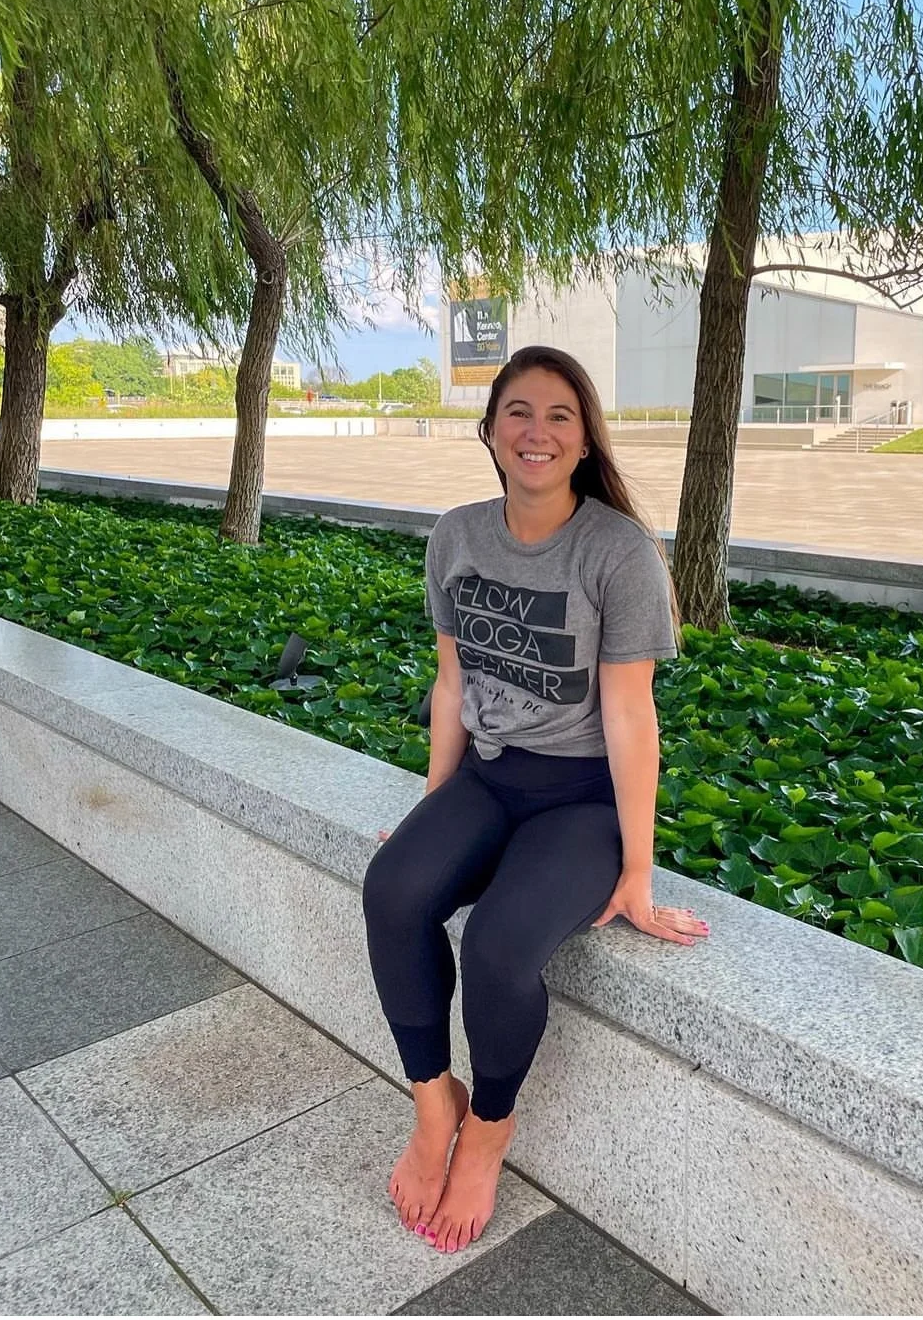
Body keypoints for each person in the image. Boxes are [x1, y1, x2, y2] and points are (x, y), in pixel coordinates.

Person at [362, 345, 710, 1257]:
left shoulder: (615, 551)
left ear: (586, 438)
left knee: (500, 949)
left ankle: (490, 1130)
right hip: (488, 776)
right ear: (487, 431)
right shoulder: (457, 535)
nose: (537, 431)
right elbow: (451, 685)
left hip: (580, 800)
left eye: (560, 415)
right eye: (518, 411)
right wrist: (436, 808)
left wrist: (636, 870)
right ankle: (436, 1104)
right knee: (393, 890)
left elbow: (632, 715)